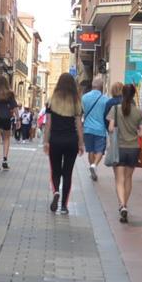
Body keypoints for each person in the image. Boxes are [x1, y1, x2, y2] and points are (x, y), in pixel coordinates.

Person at [43, 73, 85, 215]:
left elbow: (48, 124)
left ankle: (56, 192)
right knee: (68, 173)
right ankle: (64, 207)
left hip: (55, 140)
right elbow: (79, 125)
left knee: (55, 171)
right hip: (71, 141)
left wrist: (45, 141)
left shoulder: (51, 100)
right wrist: (81, 143)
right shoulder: (76, 102)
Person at [108, 84, 142, 223]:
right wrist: (134, 131)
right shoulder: (139, 112)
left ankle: (122, 205)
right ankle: (125, 204)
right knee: (128, 178)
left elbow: (111, 128)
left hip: (119, 148)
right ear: (134, 95)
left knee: (119, 179)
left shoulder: (115, 109)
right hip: (133, 149)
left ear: (122, 94)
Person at [81, 75, 111, 181]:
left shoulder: (84, 97)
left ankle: (92, 167)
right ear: (101, 86)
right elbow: (108, 115)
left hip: (87, 129)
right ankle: (94, 165)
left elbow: (81, 113)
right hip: (100, 129)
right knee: (100, 151)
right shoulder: (106, 99)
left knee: (90, 150)